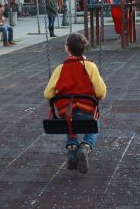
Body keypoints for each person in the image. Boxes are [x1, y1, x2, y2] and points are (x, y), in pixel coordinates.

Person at [43, 33, 107, 174]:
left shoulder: (60, 68)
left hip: (66, 112)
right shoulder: (90, 67)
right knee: (95, 118)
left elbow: (47, 93)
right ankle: (86, 145)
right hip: (86, 110)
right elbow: (101, 92)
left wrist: (59, 98)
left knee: (68, 116)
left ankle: (72, 147)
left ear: (67, 49)